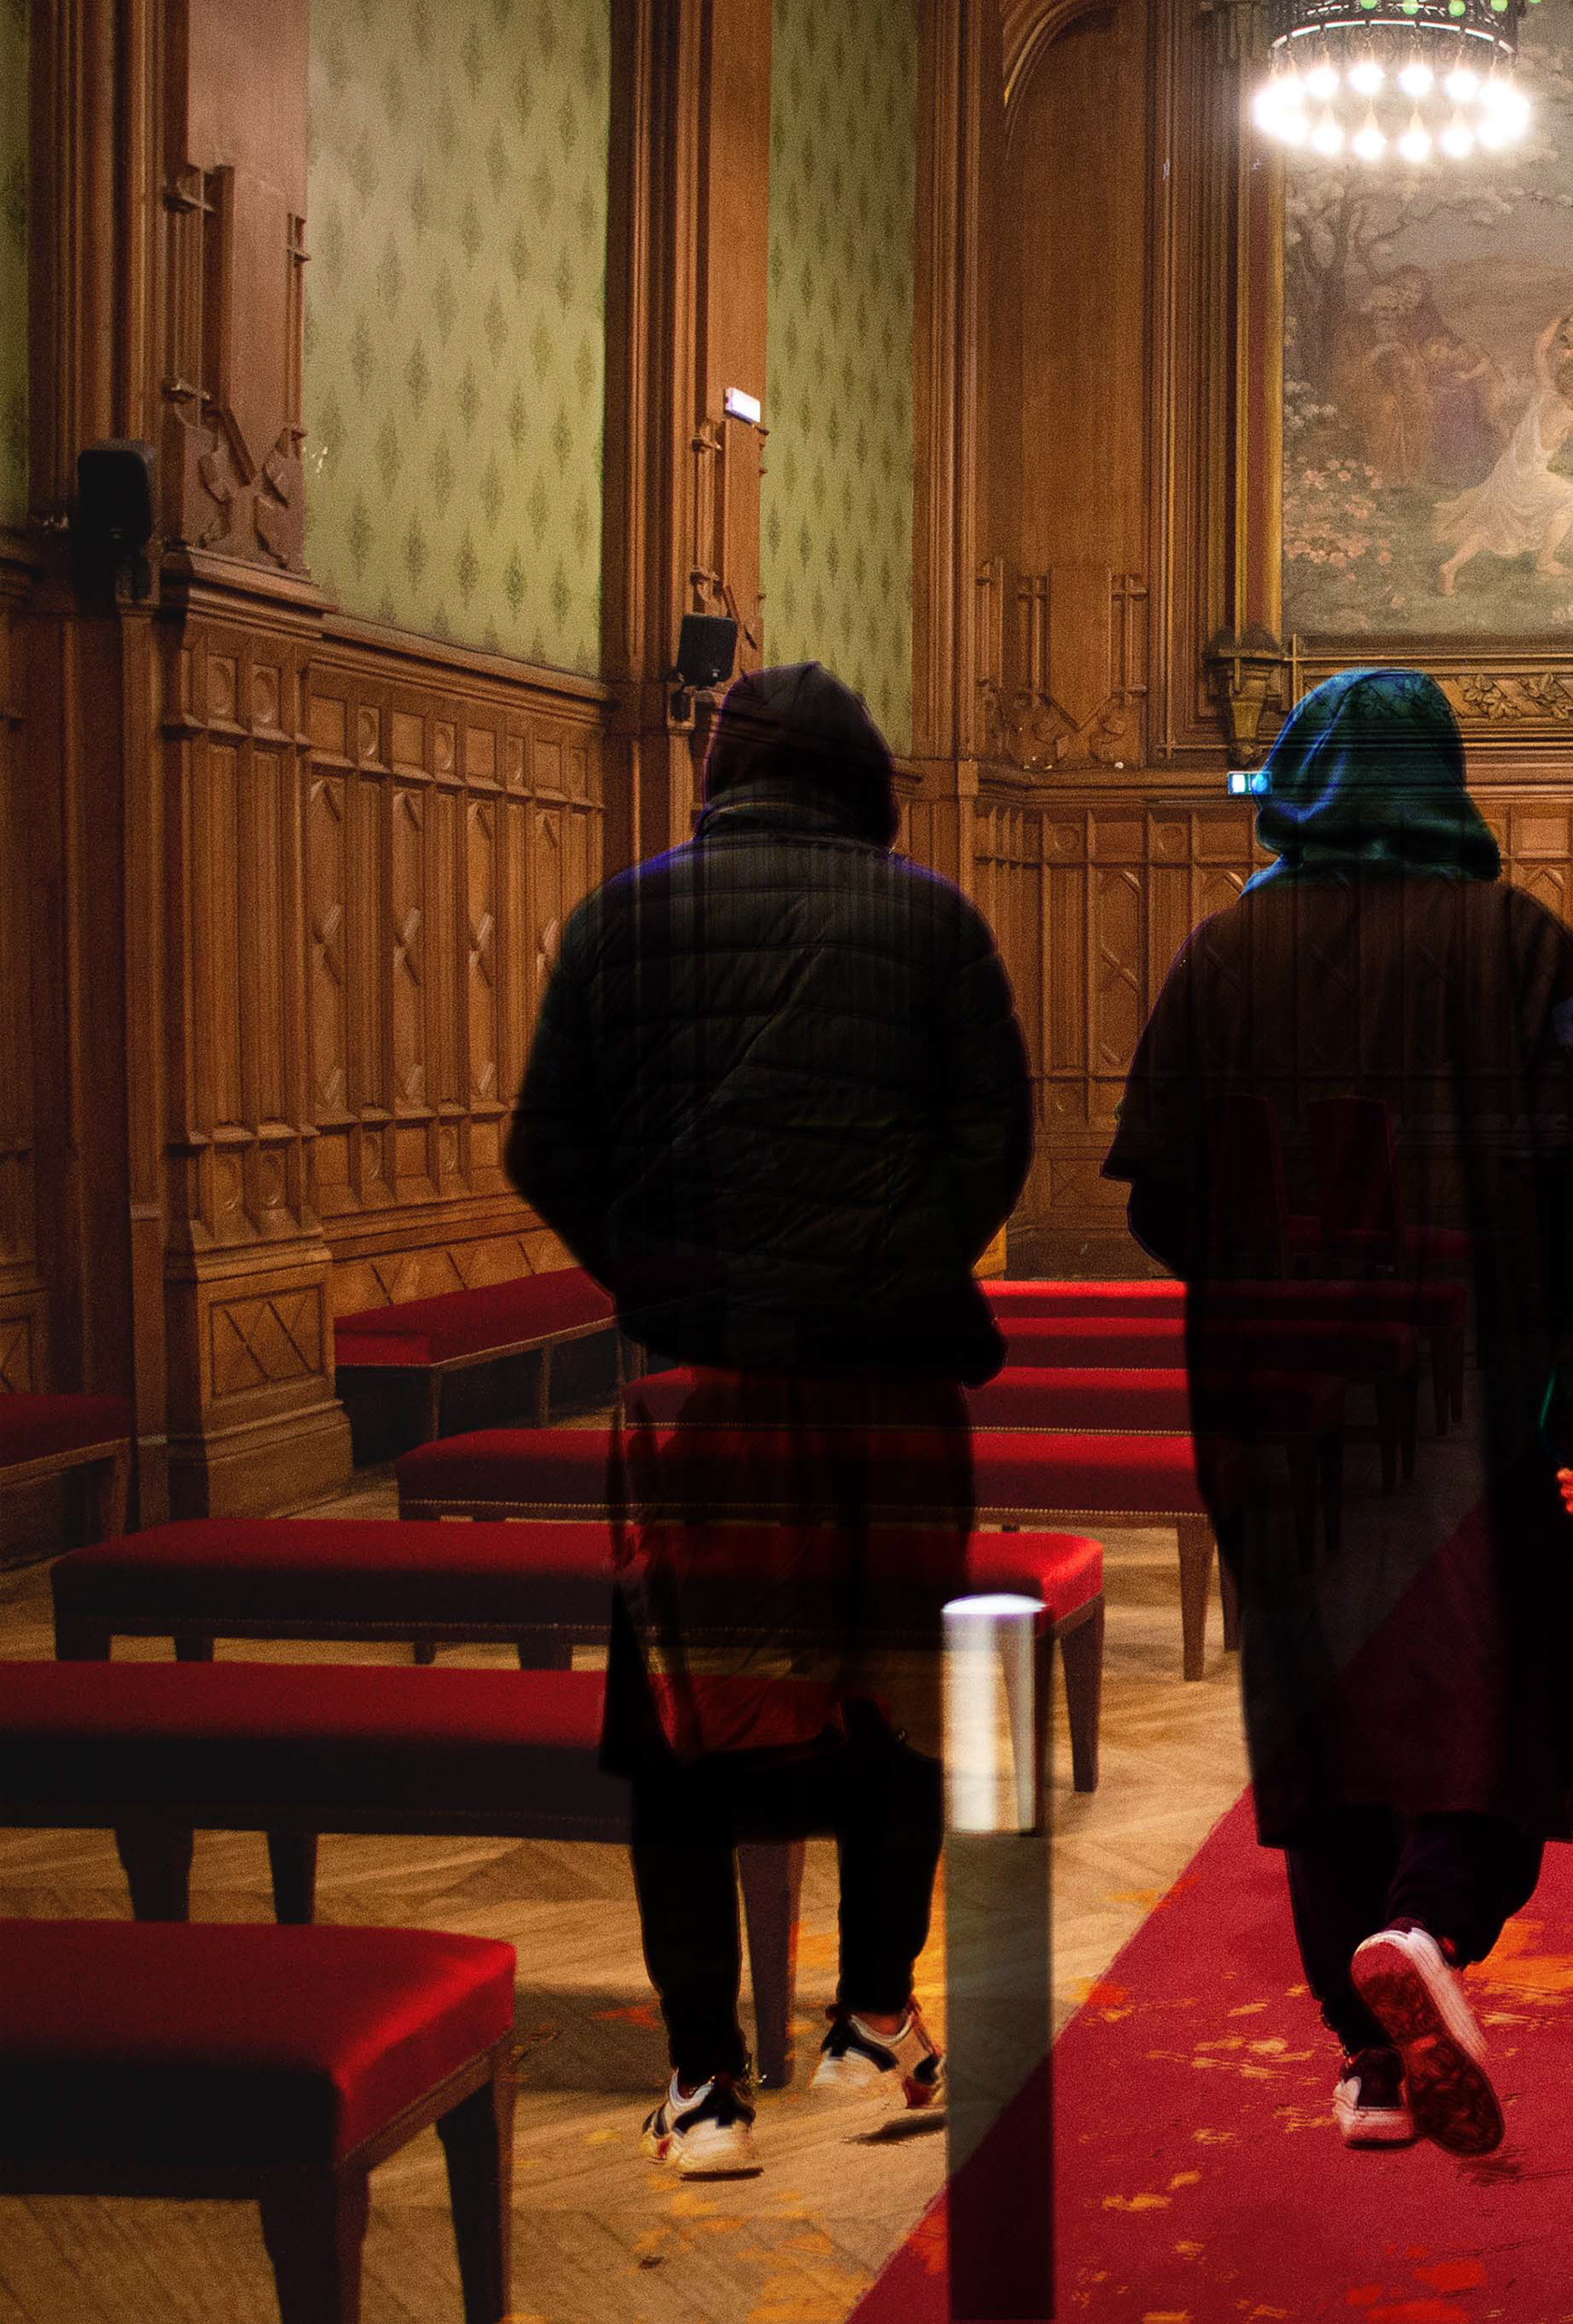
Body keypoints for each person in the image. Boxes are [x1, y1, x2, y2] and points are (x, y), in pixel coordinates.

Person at [1106, 667, 1573, 2159]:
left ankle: (1364, 2064)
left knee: (1322, 1707)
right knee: (1498, 1687)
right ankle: (1429, 1923)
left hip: (1280, 1410)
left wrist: (1269, 1282)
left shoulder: (1224, 953)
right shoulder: (1516, 942)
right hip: (1475, 1405)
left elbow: (1159, 1199)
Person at [506, 661, 1035, 2178]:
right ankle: (873, 2014)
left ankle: (704, 2087)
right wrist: (892, 1265)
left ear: (720, 774)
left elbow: (546, 1149)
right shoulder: (931, 918)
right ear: (864, 776)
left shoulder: (619, 917)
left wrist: (666, 1282)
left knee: (679, 1738)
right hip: (891, 1385)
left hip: (707, 1396)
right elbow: (995, 1138)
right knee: (896, 1714)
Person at [1438, 314, 1573, 594]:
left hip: (1508, 473)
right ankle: (1545, 561)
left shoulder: (1545, 391)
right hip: (1527, 477)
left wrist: (1558, 318)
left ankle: (1450, 566)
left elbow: (1539, 348)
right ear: (1572, 393)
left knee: (1493, 525)